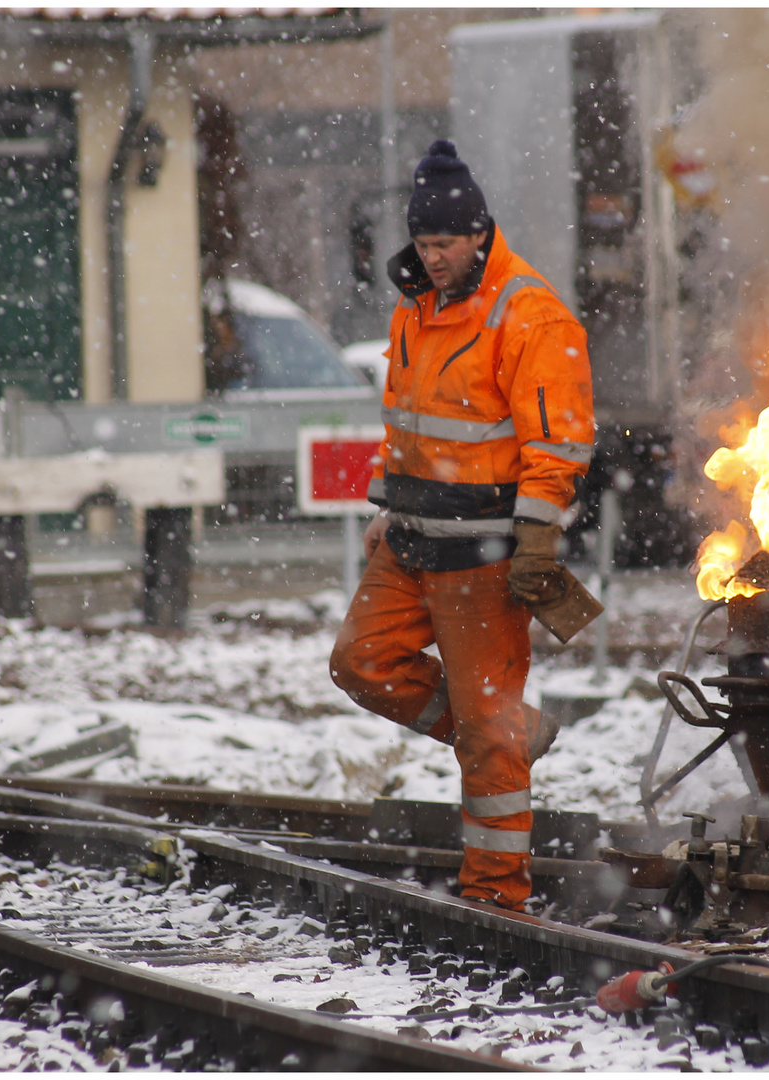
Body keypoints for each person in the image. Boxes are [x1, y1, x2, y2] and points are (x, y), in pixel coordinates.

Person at [329, 140, 595, 912]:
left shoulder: (530, 315)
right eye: (421, 241)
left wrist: (536, 540)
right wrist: (385, 508)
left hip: (482, 555)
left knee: (485, 731)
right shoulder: (414, 309)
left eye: (444, 241)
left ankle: (496, 896)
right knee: (361, 662)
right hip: (412, 539)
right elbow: (406, 423)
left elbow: (558, 442)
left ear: (479, 234)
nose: (431, 255)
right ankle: (510, 733)